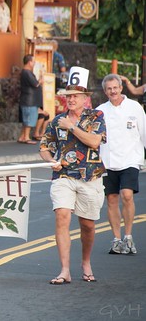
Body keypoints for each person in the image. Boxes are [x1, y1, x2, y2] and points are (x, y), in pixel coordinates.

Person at [39, 66, 107, 285]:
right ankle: (64, 270)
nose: (71, 99)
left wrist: (73, 126)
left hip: (90, 176)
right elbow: (44, 146)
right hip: (64, 176)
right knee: (62, 215)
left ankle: (85, 262)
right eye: (68, 96)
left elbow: (95, 141)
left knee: (87, 224)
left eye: (75, 96)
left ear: (85, 98)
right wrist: (50, 160)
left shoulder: (96, 116)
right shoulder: (56, 120)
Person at [96, 74, 146, 255]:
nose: (113, 91)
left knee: (127, 195)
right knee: (111, 199)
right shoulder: (100, 110)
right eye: (109, 89)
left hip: (130, 159)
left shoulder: (134, 107)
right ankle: (116, 239)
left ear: (121, 88)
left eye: (115, 87)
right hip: (108, 162)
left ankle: (128, 236)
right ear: (105, 91)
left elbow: (144, 132)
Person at [17, 54, 43, 144]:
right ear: (29, 62)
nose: (34, 63)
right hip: (29, 100)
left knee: (26, 119)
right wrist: (40, 80)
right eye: (33, 61)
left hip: (28, 99)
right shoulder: (27, 72)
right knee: (29, 119)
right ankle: (26, 137)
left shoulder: (26, 72)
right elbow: (35, 84)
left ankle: (22, 136)